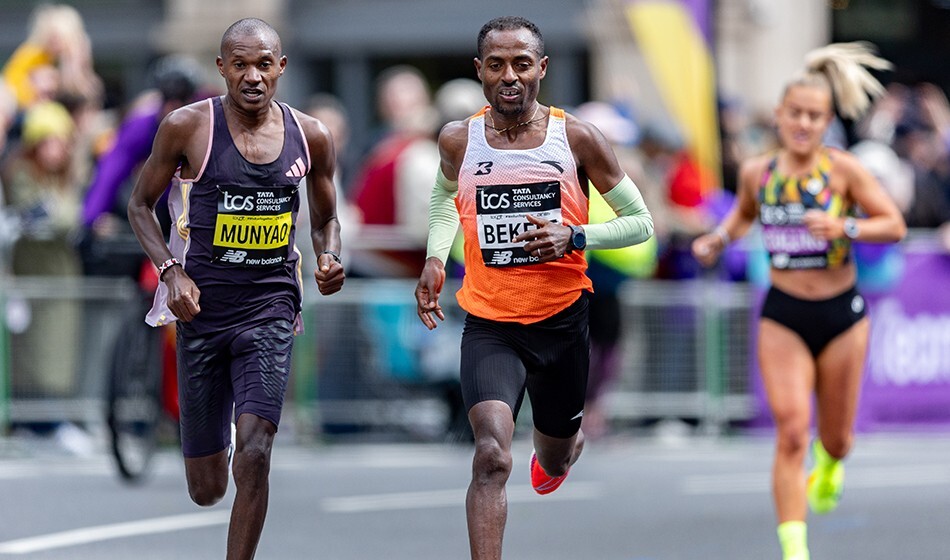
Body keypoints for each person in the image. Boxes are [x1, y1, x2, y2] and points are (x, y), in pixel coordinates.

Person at [414, 16, 653, 559]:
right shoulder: (458, 139)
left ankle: (564, 445)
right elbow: (443, 198)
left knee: (555, 455)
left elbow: (641, 223)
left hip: (561, 320)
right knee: (491, 455)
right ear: (479, 70)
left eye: (522, 64)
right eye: (496, 64)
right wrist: (434, 257)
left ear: (541, 68)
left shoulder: (578, 138)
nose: (509, 76)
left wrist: (575, 234)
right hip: (490, 323)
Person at [126, 18, 344, 559]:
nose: (253, 76)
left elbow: (325, 219)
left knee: (257, 450)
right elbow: (140, 205)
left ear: (281, 67)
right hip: (202, 312)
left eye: (264, 64)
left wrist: (329, 256)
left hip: (270, 307)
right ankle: (217, 440)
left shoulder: (311, 135)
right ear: (221, 68)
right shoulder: (187, 127)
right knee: (207, 489)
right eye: (240, 65)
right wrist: (171, 272)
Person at [691, 43, 906, 560]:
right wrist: (719, 238)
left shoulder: (844, 170)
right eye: (796, 114)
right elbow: (744, 215)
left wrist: (844, 226)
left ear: (827, 121)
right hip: (783, 314)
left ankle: (830, 464)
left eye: (814, 116)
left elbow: (894, 225)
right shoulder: (758, 172)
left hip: (841, 315)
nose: (804, 124)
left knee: (837, 439)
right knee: (790, 432)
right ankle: (795, 549)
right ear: (780, 115)